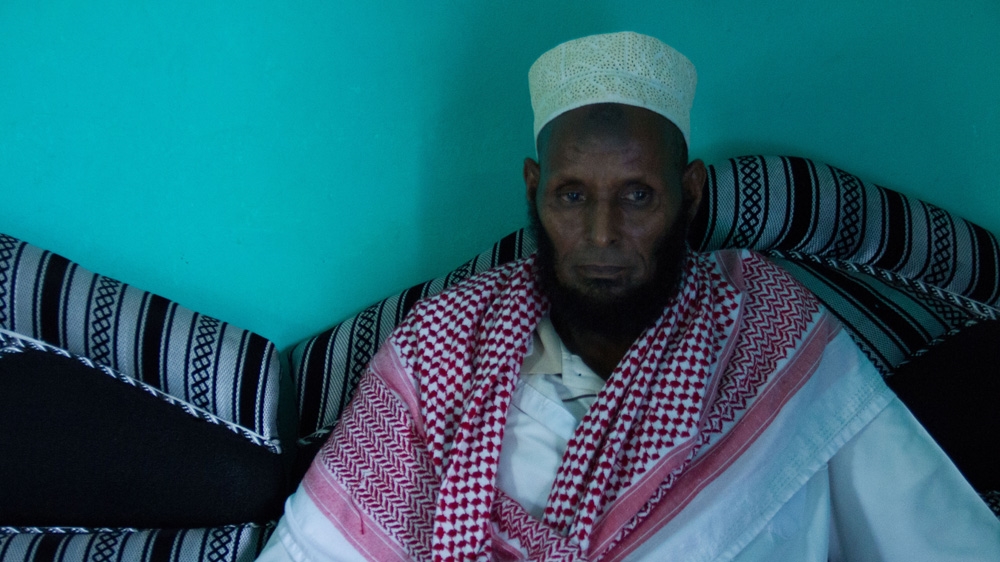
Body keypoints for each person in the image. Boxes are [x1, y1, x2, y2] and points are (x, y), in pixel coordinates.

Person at [258, 32, 1000, 561]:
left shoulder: (769, 329)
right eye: (573, 195)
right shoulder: (446, 346)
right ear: (532, 191)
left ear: (689, 194)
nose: (602, 234)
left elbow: (932, 533)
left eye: (638, 195)